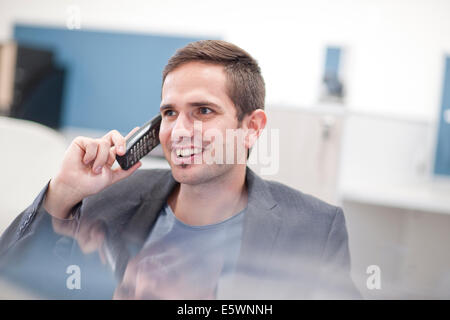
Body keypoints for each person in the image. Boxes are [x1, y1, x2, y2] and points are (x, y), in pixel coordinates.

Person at [0, 40, 360, 299]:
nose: (180, 131)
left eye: (203, 111)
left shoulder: (314, 228)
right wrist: (62, 192)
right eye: (170, 113)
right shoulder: (110, 198)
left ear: (251, 127)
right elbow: (11, 276)